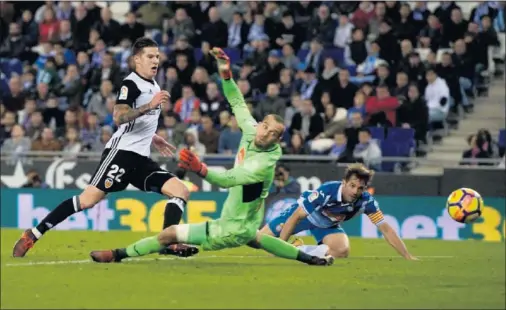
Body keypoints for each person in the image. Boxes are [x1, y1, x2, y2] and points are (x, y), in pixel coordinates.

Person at [89, 48, 333, 266]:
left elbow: (230, 178)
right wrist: (226, 74)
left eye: (274, 134)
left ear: (278, 141)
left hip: (229, 228)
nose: (266, 134)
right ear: (259, 124)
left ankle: (117, 254)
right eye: (265, 127)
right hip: (246, 224)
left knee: (168, 235)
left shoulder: (264, 163)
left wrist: (200, 168)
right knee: (257, 238)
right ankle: (309, 257)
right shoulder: (250, 130)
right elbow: (236, 100)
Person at [13, 38, 197, 258]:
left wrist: (153, 137)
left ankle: (169, 241)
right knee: (87, 200)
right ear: (136, 60)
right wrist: (150, 105)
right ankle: (33, 234)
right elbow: (119, 117)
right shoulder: (131, 84)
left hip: (140, 159)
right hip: (121, 155)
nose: (155, 60)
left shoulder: (153, 86)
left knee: (180, 191)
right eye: (150, 56)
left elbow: (138, 123)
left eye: (157, 56)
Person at [255, 163, 418, 260]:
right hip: (305, 216)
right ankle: (288, 247)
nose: (355, 191)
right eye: (352, 186)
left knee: (342, 251)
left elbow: (386, 229)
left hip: (327, 225)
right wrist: (280, 250)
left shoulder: (366, 201)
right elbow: (296, 216)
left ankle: (298, 248)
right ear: (344, 183)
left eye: (360, 188)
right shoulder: (327, 191)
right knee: (260, 241)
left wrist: (407, 256)